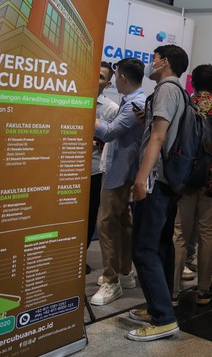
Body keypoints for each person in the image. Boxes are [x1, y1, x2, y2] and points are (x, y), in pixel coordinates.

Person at [126, 45, 189, 342]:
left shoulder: (166, 89)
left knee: (143, 248)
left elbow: (159, 136)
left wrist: (141, 178)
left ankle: (163, 318)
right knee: (160, 246)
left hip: (155, 181)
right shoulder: (180, 92)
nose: (150, 64)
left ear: (164, 62)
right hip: (170, 182)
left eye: (153, 59)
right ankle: (158, 309)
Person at [172, 64, 212, 306]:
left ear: (192, 84)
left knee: (179, 234)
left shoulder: (182, 107)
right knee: (208, 233)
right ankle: (204, 290)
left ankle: (174, 291)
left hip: (184, 180)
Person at [89, 58, 145, 305]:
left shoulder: (135, 102)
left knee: (107, 223)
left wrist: (85, 113)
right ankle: (125, 272)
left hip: (120, 173)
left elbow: (110, 132)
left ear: (120, 78)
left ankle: (112, 280)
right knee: (121, 221)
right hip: (121, 171)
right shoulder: (132, 101)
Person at [87, 62, 119, 275]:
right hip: (64, 170)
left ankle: (80, 256)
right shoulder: (70, 99)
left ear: (107, 84)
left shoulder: (111, 109)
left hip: (94, 170)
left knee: (89, 217)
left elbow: (113, 141)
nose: (94, 79)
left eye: (100, 77)